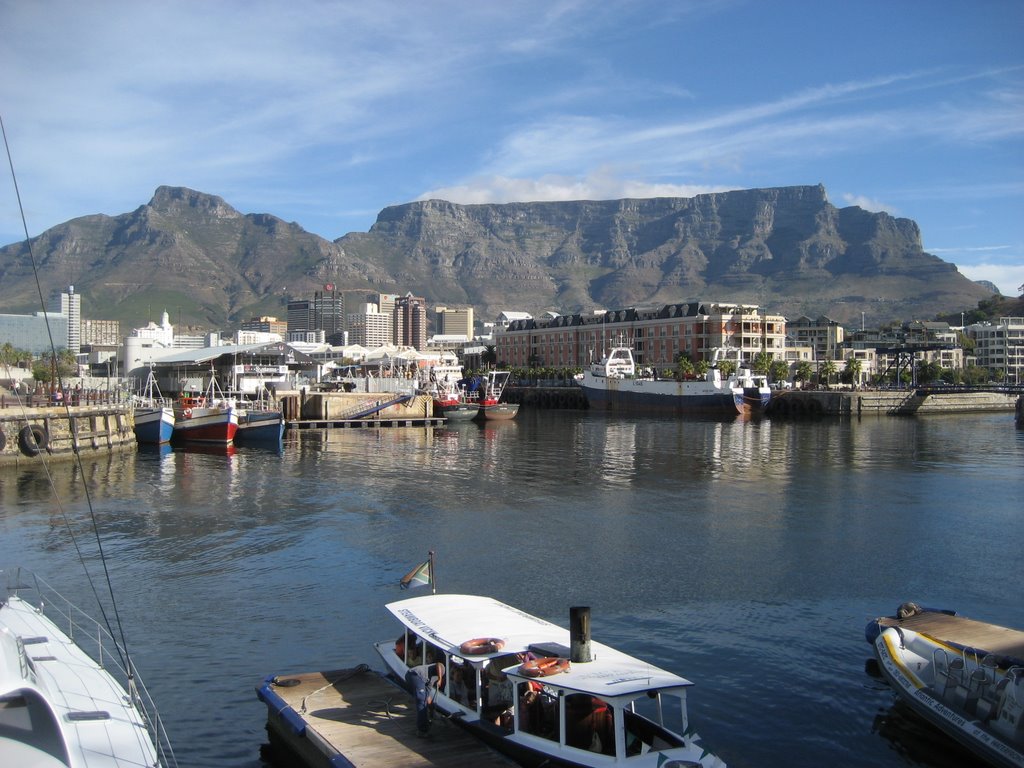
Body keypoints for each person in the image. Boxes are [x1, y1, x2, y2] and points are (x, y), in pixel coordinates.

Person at [406, 661, 444, 736]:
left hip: (412, 676)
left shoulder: (431, 681)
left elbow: (428, 695)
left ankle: (424, 722)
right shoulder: (442, 669)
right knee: (421, 701)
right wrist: (440, 679)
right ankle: (422, 729)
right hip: (415, 675)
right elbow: (438, 664)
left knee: (423, 699)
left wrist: (431, 709)